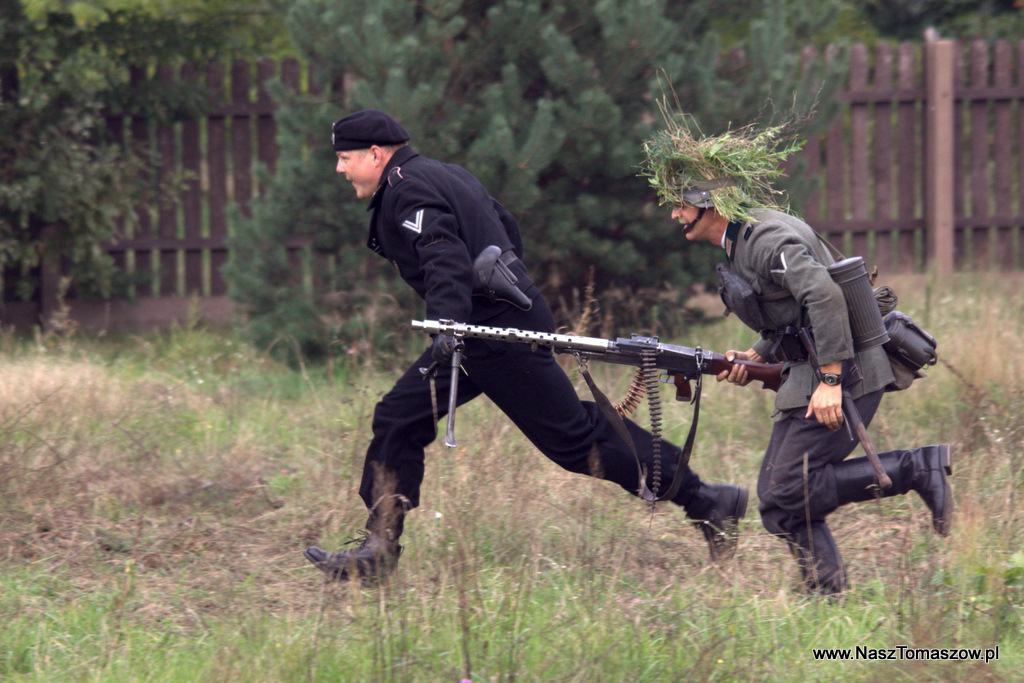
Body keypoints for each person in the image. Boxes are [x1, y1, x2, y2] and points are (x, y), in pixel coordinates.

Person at [302, 109, 749, 581]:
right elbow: (505, 226)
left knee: (576, 440)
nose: (340, 169)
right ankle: (379, 548)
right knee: (399, 415)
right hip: (481, 327)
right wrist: (500, 297)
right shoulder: (442, 173)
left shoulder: (407, 188)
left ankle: (706, 501)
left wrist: (449, 323)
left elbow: (443, 255)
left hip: (491, 334)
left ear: (375, 154)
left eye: (345, 158)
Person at [640, 114, 953, 596]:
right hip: (812, 371)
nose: (675, 215)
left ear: (708, 204)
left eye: (681, 205)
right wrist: (758, 352)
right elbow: (792, 312)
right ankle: (826, 594)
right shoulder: (743, 238)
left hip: (845, 375)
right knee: (777, 500)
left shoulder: (765, 241)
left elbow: (824, 298)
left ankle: (915, 469)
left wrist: (830, 380)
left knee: (788, 488)